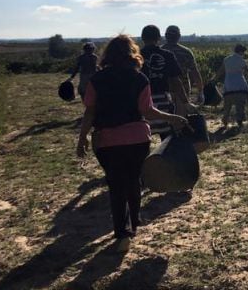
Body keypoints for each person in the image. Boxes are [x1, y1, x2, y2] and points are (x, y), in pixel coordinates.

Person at [76, 35, 187, 252]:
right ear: (132, 53)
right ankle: (134, 221)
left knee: (116, 185)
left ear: (108, 54)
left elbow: (90, 112)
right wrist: (173, 118)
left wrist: (82, 138)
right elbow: (147, 111)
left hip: (107, 141)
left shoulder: (96, 80)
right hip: (137, 138)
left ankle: (122, 233)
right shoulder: (140, 79)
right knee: (134, 180)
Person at [140, 25, 188, 139]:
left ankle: (146, 156)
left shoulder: (136, 56)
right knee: (167, 135)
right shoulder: (167, 55)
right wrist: (185, 101)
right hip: (163, 99)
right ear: (159, 38)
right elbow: (176, 81)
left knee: (144, 135)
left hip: (143, 100)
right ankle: (166, 156)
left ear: (142, 38)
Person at [212, 44, 248, 130]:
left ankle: (225, 121)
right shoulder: (241, 60)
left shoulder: (226, 59)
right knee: (240, 105)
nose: (244, 53)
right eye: (243, 52)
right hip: (240, 86)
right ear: (240, 51)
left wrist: (213, 80)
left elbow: (220, 71)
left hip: (228, 86)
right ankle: (239, 123)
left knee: (227, 106)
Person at [161, 25, 204, 115]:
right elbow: (195, 73)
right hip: (183, 90)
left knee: (165, 116)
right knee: (181, 116)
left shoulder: (159, 51)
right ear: (179, 36)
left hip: (163, 90)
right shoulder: (186, 52)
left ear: (165, 36)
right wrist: (200, 91)